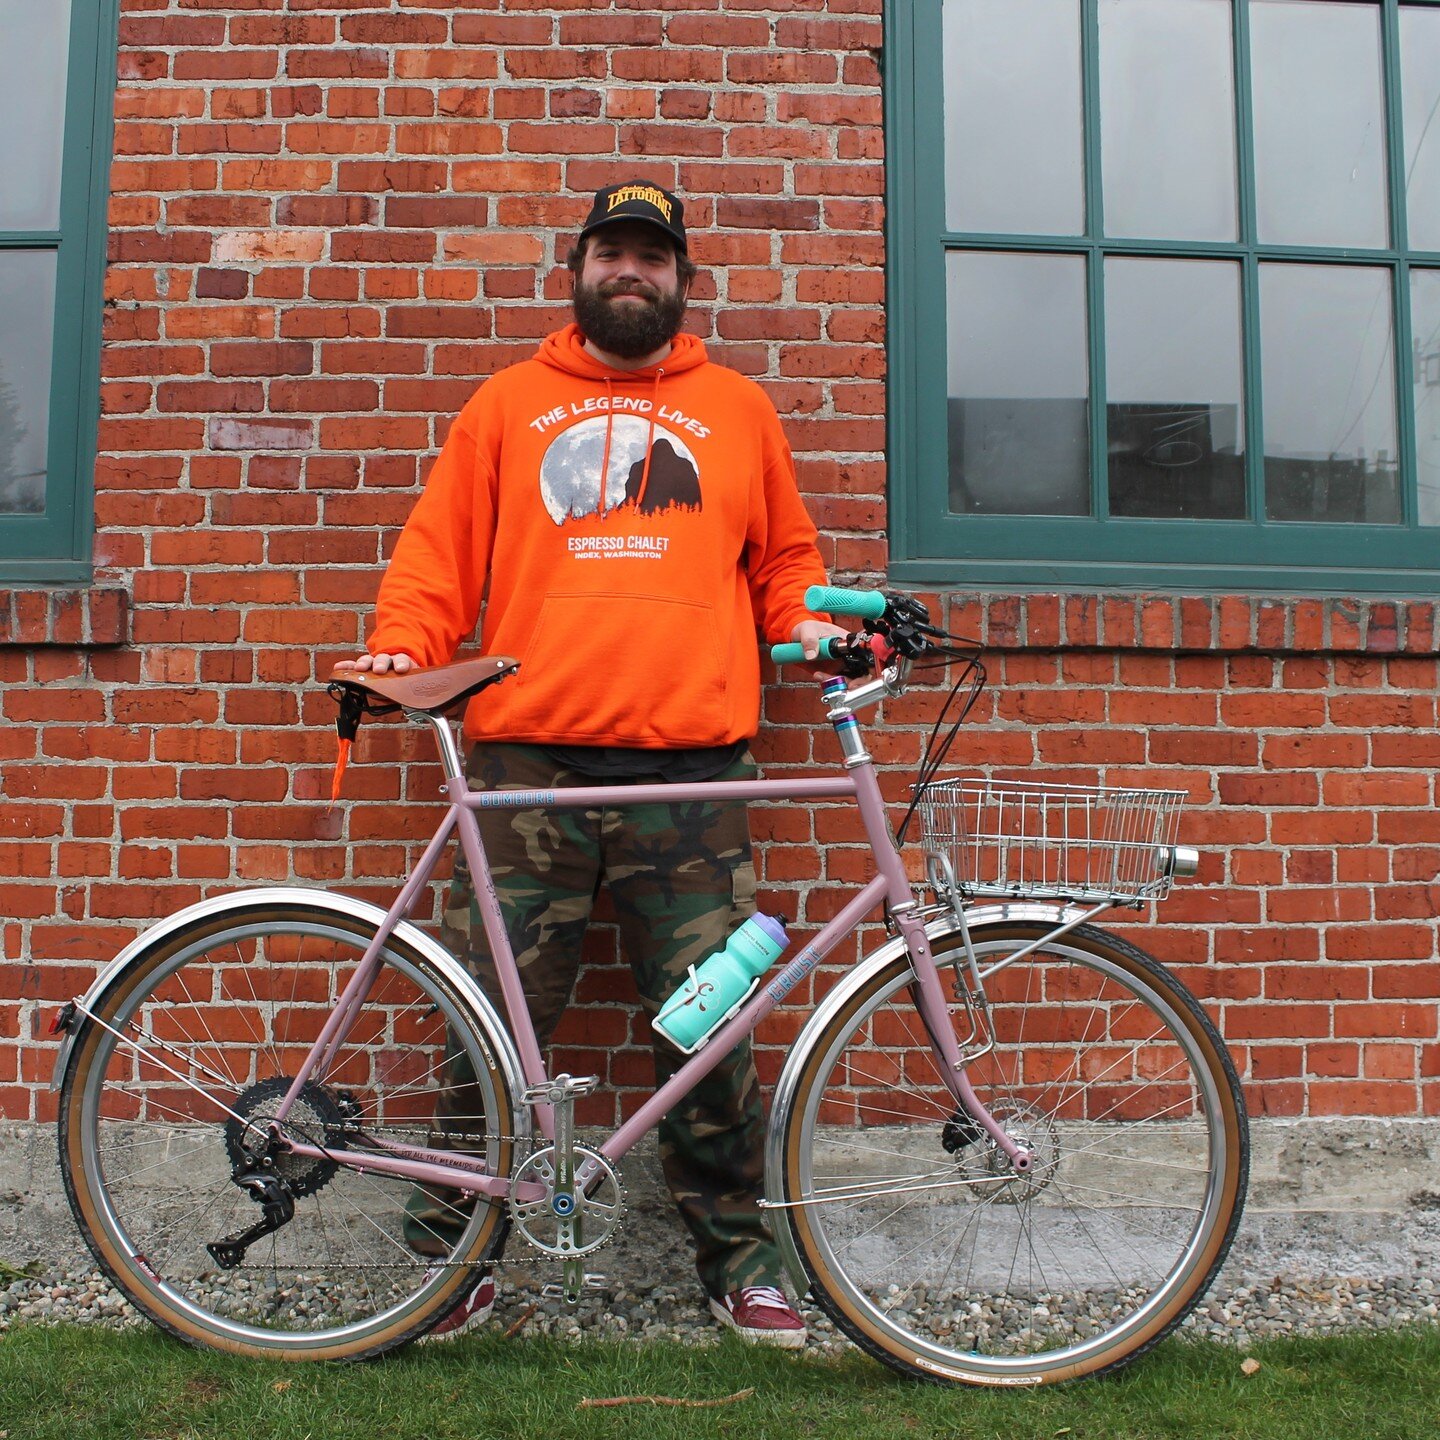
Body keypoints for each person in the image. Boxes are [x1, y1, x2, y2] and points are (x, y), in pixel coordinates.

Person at [337, 180, 844, 1347]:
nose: (632, 272)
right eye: (612, 253)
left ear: (683, 282)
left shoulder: (740, 411)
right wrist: (402, 647)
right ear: (577, 273)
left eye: (653, 257)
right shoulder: (507, 408)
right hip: (526, 770)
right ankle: (447, 1262)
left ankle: (740, 1263)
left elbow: (785, 564)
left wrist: (808, 623)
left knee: (711, 1035)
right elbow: (435, 557)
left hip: (694, 777)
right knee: (487, 1032)